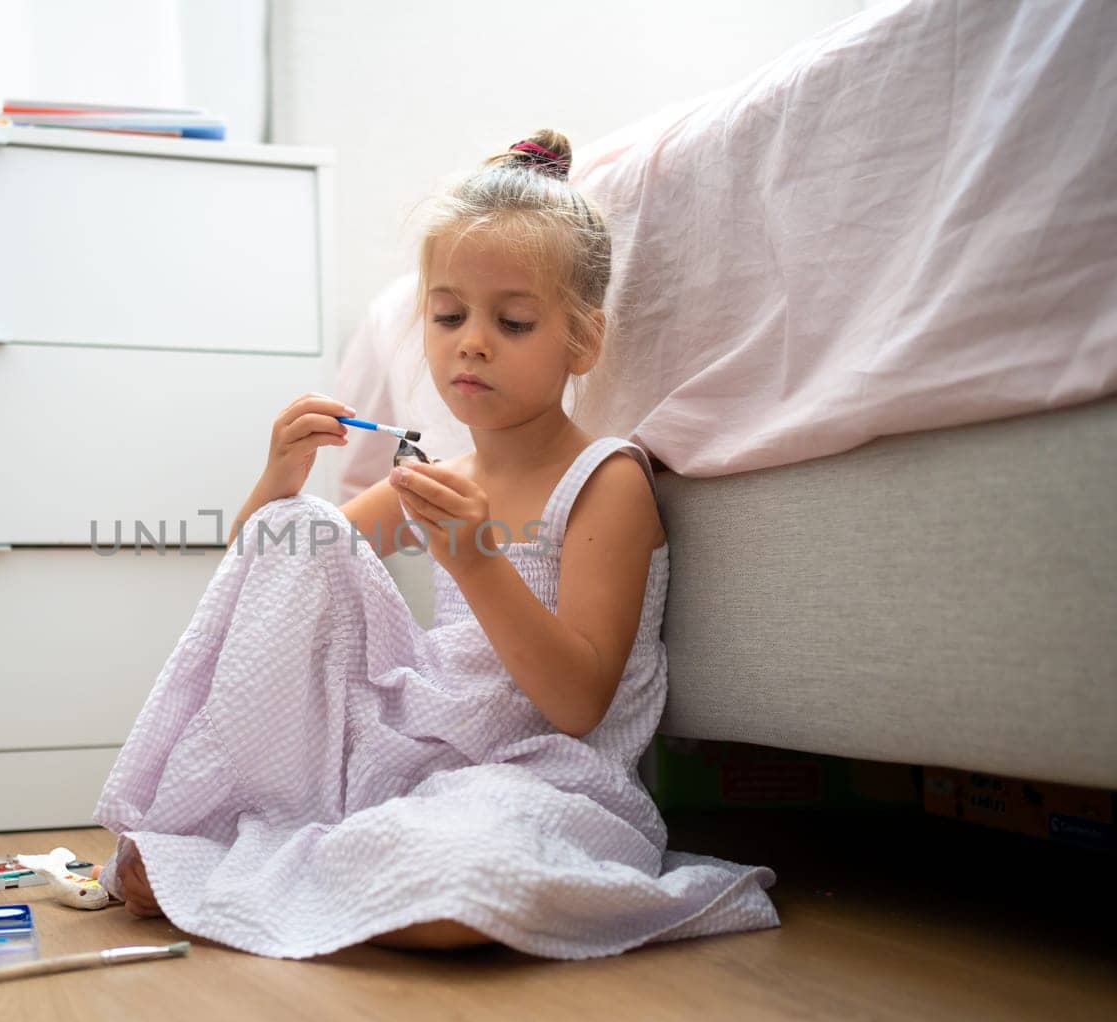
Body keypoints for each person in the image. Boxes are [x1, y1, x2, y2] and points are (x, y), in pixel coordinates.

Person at [92, 129, 778, 958]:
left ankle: (264, 866)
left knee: (459, 885)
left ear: (581, 341)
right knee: (301, 528)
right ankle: (292, 854)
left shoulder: (607, 481)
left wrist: (478, 559)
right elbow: (266, 580)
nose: (471, 341)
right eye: (448, 315)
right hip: (430, 765)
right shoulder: (436, 476)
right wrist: (276, 481)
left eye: (512, 320)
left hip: (553, 784)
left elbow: (578, 703)